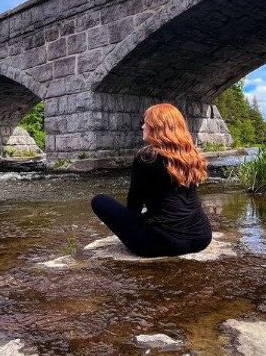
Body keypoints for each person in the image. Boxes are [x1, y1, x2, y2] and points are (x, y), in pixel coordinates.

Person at [90, 103, 213, 257]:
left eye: (145, 122)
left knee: (99, 201)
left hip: (165, 243)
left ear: (157, 127)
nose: (142, 126)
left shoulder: (147, 157)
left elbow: (134, 206)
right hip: (202, 237)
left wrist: (131, 229)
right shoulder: (189, 154)